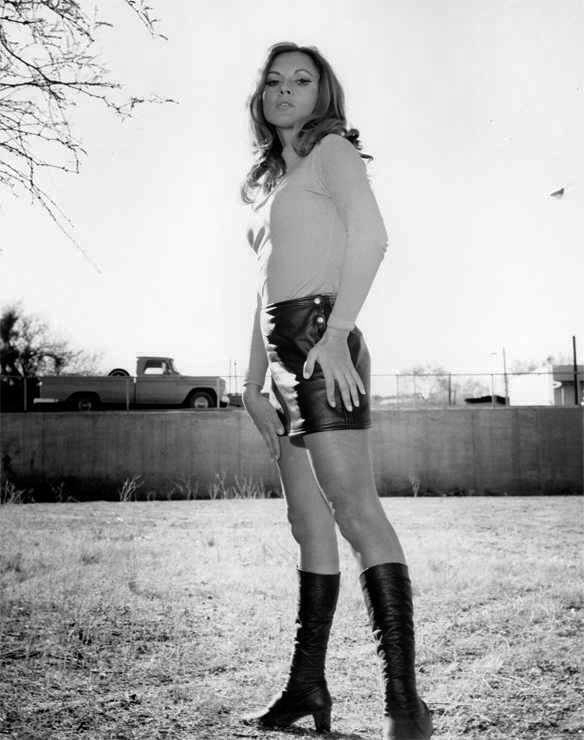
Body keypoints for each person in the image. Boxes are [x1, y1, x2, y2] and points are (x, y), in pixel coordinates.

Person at [239, 41, 433, 740]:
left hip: (324, 341)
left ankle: (405, 705)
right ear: (261, 96)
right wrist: (252, 383)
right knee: (308, 524)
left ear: (323, 95)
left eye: (301, 80)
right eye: (274, 81)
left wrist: (337, 333)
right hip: (282, 354)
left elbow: (372, 238)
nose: (285, 90)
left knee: (354, 509)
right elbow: (264, 290)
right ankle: (306, 687)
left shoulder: (333, 152)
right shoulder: (272, 182)